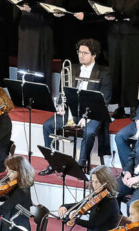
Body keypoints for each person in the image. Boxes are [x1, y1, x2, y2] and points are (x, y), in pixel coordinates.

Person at [40, 38, 112, 171]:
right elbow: (64, 91)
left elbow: (105, 99)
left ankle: (81, 164)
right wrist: (61, 105)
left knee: (89, 132)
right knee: (48, 126)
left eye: (85, 53)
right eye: (79, 52)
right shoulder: (72, 68)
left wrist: (88, 116)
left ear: (94, 54)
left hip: (94, 114)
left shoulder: (104, 72)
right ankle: (53, 162)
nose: (81, 55)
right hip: (72, 112)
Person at [59, 167, 121, 231]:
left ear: (106, 181)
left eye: (97, 182)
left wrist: (75, 220)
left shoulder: (110, 202)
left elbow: (93, 224)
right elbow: (79, 205)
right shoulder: (96, 198)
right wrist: (65, 206)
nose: (94, 185)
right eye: (93, 182)